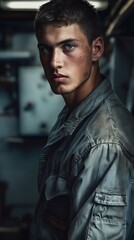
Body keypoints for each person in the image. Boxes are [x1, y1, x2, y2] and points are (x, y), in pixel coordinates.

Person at [32, 0, 134, 239]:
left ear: (97, 49)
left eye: (68, 46)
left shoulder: (104, 145)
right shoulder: (75, 114)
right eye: (45, 49)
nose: (54, 62)